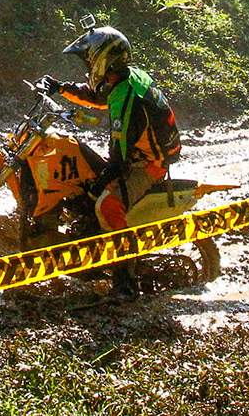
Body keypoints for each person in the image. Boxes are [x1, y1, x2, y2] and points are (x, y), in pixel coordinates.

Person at [45, 25, 180, 298]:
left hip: (148, 164)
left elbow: (120, 157)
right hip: (134, 155)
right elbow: (97, 97)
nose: (87, 65)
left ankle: (125, 282)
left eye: (89, 60)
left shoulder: (128, 96)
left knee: (108, 204)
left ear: (104, 60)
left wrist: (105, 179)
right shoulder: (125, 80)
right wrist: (62, 88)